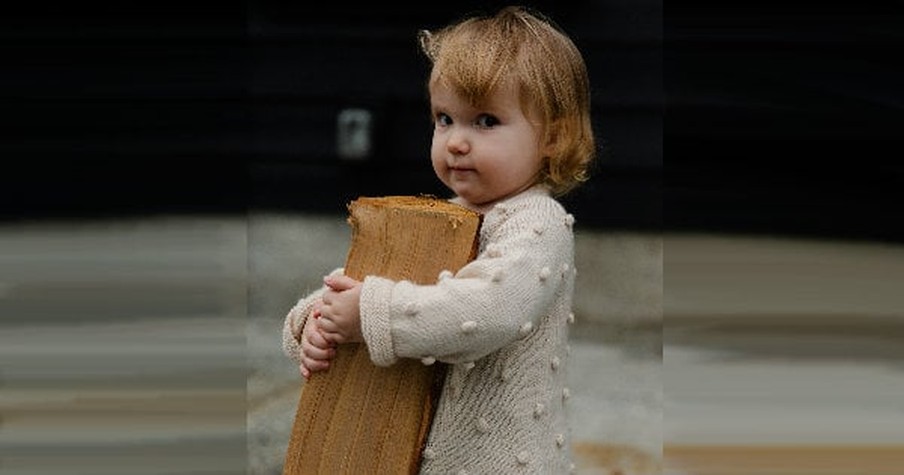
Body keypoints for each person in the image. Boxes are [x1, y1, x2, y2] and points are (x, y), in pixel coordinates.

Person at [282, 5, 595, 473]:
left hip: (502, 463)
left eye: (486, 121)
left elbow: (483, 313)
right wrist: (317, 321)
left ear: (554, 135)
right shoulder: (443, 219)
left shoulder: (538, 225)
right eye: (445, 119)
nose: (456, 142)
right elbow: (366, 286)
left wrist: (368, 311)